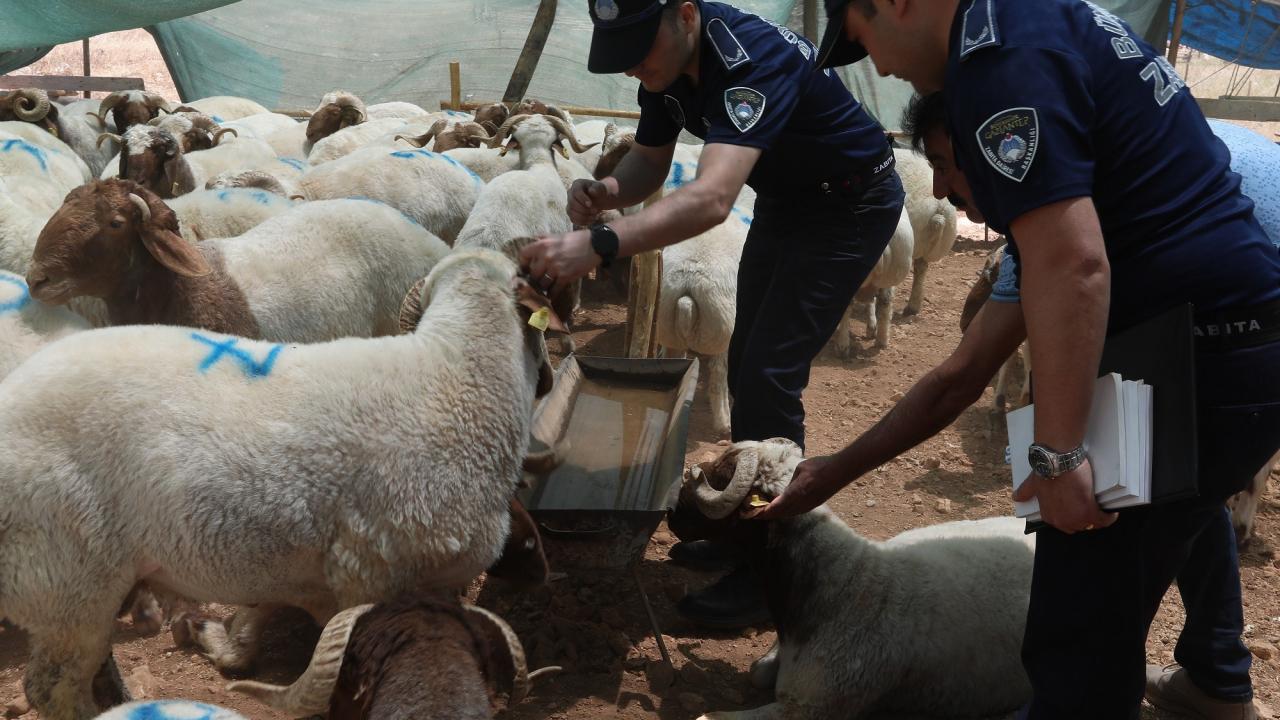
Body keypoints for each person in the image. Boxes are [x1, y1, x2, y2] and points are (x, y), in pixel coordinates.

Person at [766, 1, 1280, 717]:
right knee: (1168, 520)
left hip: (1190, 355)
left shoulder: (994, 64)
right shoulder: (1038, 25)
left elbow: (1074, 266)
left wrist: (1060, 458)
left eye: (863, 38)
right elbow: (962, 376)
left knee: (1076, 621)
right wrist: (833, 472)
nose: (878, 65)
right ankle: (1215, 679)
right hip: (1239, 350)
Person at [519, 0, 905, 628]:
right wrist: (607, 190)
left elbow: (713, 198)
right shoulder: (666, 69)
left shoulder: (748, 62)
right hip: (787, 201)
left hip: (848, 205)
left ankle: (773, 569)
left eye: (639, 48)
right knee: (745, 356)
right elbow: (649, 161)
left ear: (685, 15)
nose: (633, 66)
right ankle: (746, 531)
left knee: (769, 373)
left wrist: (601, 243)